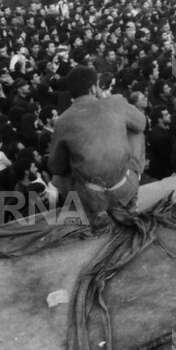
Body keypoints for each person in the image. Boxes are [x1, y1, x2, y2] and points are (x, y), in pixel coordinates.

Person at [48, 65, 147, 232]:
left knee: (58, 175)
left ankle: (97, 212)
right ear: (94, 87)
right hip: (123, 187)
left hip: (90, 196)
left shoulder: (63, 120)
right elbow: (141, 123)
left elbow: (56, 166)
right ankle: (129, 201)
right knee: (137, 133)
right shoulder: (116, 102)